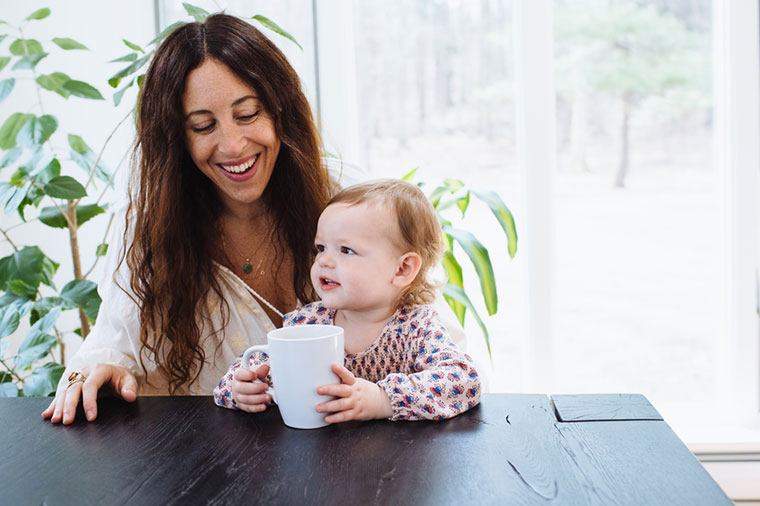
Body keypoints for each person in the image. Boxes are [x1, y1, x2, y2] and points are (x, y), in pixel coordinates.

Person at [41, 14, 469, 426]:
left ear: (280, 111)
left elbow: (450, 355)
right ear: (178, 140)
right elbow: (113, 342)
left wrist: (381, 399)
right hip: (213, 462)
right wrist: (93, 370)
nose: (232, 144)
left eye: (247, 114)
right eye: (203, 126)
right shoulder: (150, 224)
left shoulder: (344, 200)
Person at [213, 180, 481, 422]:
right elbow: (249, 367)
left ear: (402, 269)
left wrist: (382, 399)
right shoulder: (306, 322)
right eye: (321, 248)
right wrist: (241, 389)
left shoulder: (416, 328)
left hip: (397, 463)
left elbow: (463, 380)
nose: (324, 261)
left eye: (346, 250)